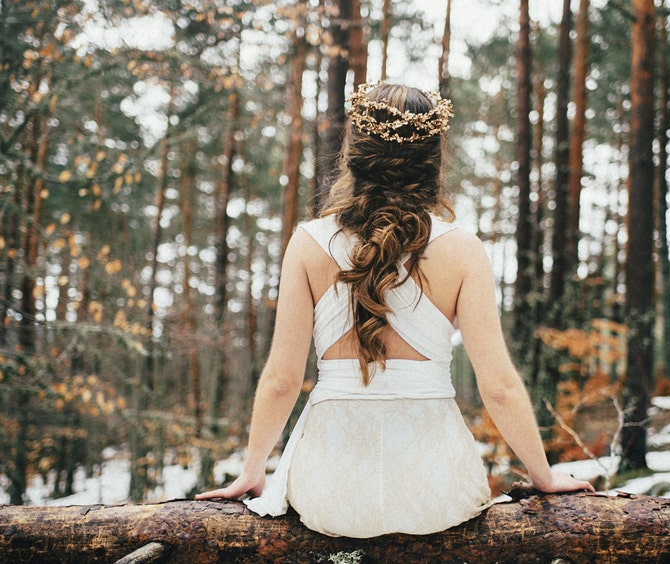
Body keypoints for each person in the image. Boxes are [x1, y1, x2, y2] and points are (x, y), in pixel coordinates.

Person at [196, 82, 594, 538]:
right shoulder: (464, 251)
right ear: (433, 160)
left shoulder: (307, 244)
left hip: (329, 494)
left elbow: (282, 379)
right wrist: (543, 477)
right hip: (438, 493)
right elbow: (499, 387)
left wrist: (252, 470)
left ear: (354, 153)